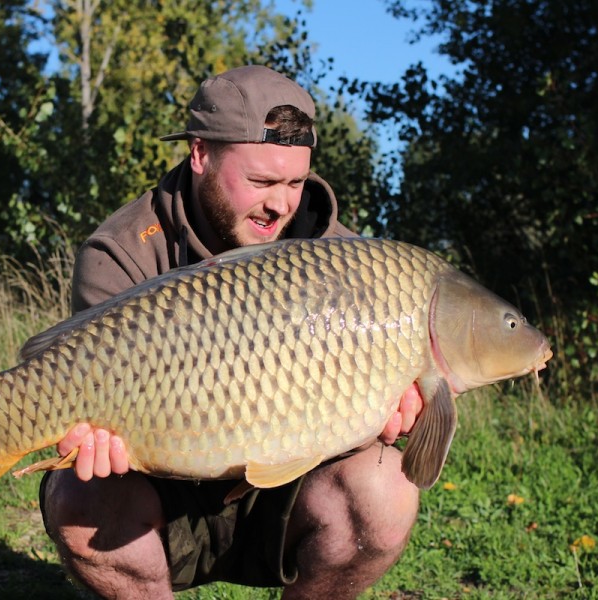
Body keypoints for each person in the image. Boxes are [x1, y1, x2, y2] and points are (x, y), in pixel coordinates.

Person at [40, 65, 423, 598]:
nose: (281, 204)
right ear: (200, 155)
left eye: (295, 182)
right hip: (159, 502)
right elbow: (93, 401)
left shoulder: (347, 263)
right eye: (262, 182)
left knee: (386, 490)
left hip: (287, 499)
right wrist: (93, 432)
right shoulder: (122, 253)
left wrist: (392, 408)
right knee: (78, 497)